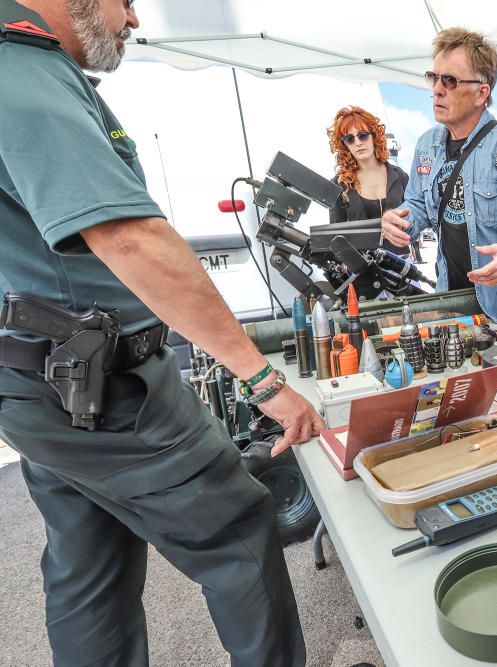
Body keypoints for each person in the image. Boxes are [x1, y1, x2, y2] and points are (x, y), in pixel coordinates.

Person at [0, 0, 329, 664]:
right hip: (109, 391)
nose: (135, 20)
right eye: (127, 1)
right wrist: (263, 381)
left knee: (91, 569)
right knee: (238, 524)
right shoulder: (22, 70)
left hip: (46, 386)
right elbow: (132, 239)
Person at [381, 27, 497, 325]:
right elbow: (418, 206)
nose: (436, 89)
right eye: (434, 77)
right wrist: (397, 222)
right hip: (449, 301)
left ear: (481, 93)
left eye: (450, 80)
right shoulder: (426, 145)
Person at [328, 105, 411, 256]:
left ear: (374, 136)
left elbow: (416, 217)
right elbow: (336, 237)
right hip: (362, 269)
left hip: (402, 264)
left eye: (363, 135)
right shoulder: (339, 184)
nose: (358, 142)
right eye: (349, 139)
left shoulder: (400, 176)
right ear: (345, 145)